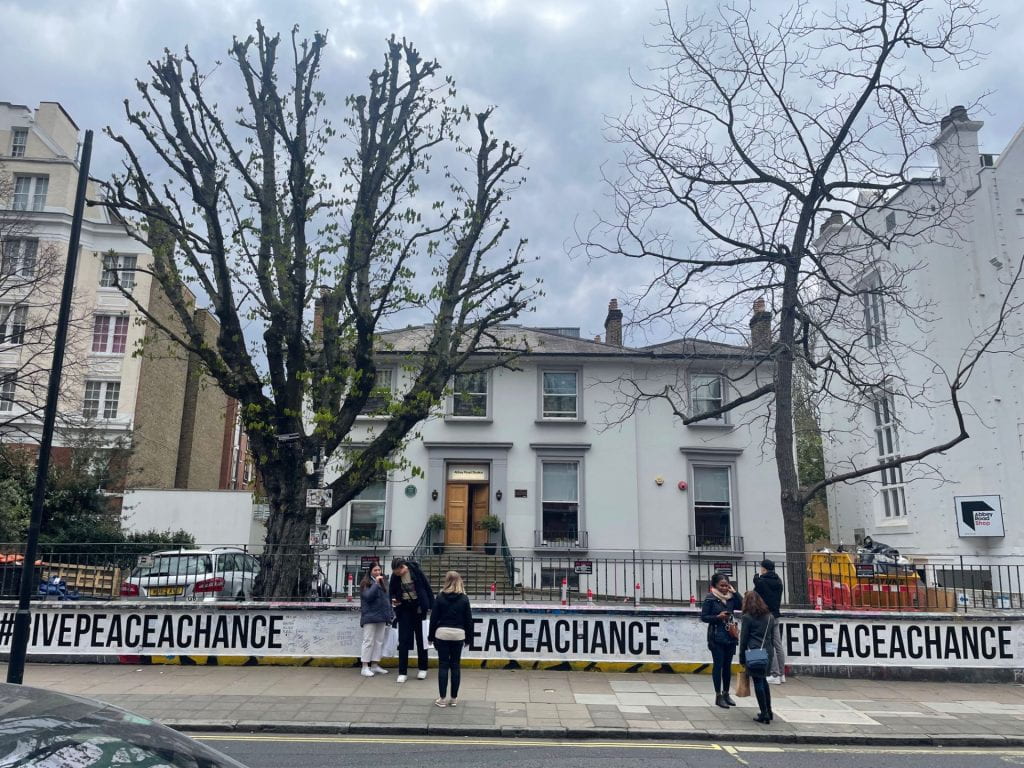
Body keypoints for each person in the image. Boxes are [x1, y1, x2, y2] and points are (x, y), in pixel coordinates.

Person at [428, 570, 474, 708]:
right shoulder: (464, 599)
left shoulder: (440, 597)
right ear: (459, 581)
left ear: (446, 581)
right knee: (455, 665)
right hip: (458, 634)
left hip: (442, 634)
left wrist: (430, 637)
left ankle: (442, 699)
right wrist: (469, 639)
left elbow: (434, 619)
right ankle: (453, 699)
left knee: (443, 665)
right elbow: (469, 621)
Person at [389, 556, 434, 683]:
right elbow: (391, 591)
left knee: (421, 639)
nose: (396, 574)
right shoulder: (395, 576)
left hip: (419, 608)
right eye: (395, 572)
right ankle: (402, 672)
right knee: (403, 640)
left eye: (398, 571)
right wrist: (393, 599)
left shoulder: (416, 571)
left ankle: (423, 668)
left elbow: (427, 587)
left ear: (403, 567)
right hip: (403, 609)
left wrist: (431, 606)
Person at [700, 572, 741, 709]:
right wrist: (718, 617)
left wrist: (735, 593)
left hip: (730, 635)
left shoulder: (730, 598)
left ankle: (726, 693)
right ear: (715, 586)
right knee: (718, 665)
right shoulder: (710, 598)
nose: (724, 588)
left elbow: (742, 606)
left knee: (727, 666)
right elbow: (704, 617)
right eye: (722, 585)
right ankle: (718, 695)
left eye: (726, 585)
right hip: (716, 636)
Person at [739, 590, 775, 724]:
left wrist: (742, 657)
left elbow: (744, 639)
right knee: (764, 681)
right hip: (768, 651)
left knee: (758, 682)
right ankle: (769, 711)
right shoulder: (770, 616)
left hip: (754, 652)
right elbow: (771, 636)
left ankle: (764, 713)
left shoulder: (747, 617)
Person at [753, 558, 786, 684]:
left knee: (768, 645)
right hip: (776, 614)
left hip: (765, 616)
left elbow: (756, 586)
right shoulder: (778, 581)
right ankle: (782, 674)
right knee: (777, 644)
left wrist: (757, 576)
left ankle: (774, 674)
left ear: (764, 569)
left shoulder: (761, 581)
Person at [358, 563, 394, 677]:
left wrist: (390, 612)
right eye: (375, 570)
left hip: (382, 616)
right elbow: (368, 597)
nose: (378, 572)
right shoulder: (365, 583)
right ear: (370, 571)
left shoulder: (384, 582)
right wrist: (376, 584)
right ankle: (364, 666)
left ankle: (375, 664)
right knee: (368, 641)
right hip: (370, 616)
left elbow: (386, 599)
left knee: (379, 641)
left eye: (379, 570)